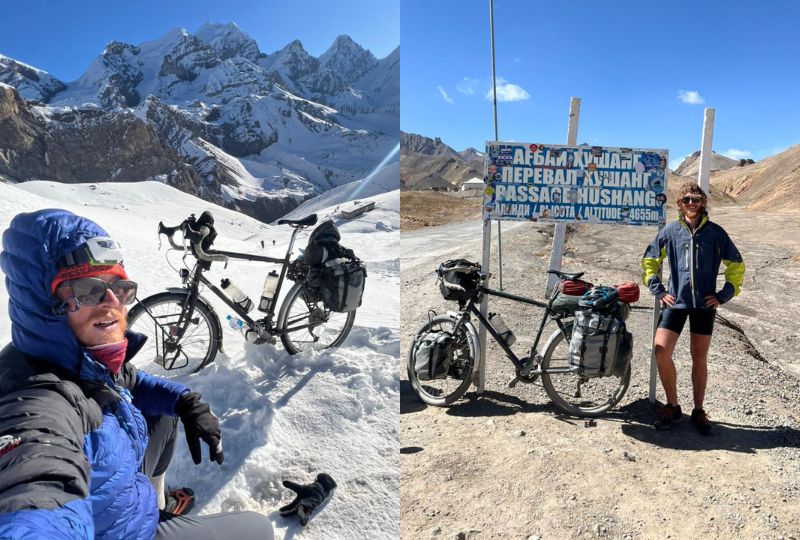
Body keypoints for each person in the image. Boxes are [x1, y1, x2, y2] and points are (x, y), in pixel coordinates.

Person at [0, 209, 274, 539]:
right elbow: (34, 487)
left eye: (120, 287)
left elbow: (130, 381)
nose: (112, 302)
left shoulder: (83, 359)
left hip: (125, 505)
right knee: (258, 529)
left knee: (165, 418)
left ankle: (159, 505)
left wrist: (184, 400)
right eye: (89, 289)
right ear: (46, 305)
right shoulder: (40, 404)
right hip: (125, 532)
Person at [641, 182, 745, 435]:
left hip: (704, 306)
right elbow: (649, 261)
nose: (691, 203)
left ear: (702, 203)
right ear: (679, 204)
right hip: (675, 303)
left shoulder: (716, 233)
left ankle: (698, 410)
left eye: (696, 199)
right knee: (660, 350)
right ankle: (673, 406)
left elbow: (737, 265)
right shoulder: (670, 232)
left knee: (699, 357)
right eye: (686, 199)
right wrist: (659, 291)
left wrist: (724, 294)